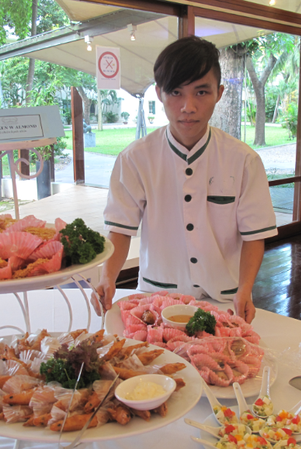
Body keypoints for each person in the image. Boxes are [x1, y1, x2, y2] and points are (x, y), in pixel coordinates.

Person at [93, 36, 277, 323]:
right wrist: (107, 276)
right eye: (176, 92)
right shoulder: (134, 159)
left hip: (224, 300)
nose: (188, 106)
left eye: (201, 92)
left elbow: (254, 235)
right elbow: (120, 228)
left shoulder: (244, 161)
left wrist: (245, 289)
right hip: (156, 300)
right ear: (159, 93)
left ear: (219, 92)